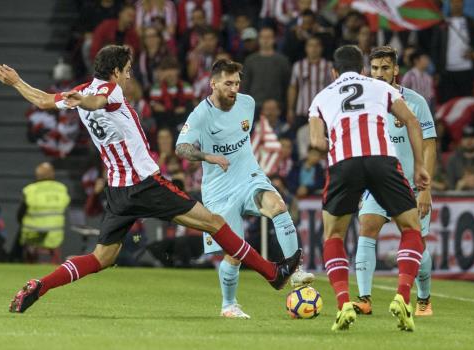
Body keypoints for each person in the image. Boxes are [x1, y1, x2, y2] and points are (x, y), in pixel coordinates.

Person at [0, 45, 301, 313]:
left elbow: (44, 100)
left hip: (117, 190)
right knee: (215, 223)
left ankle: (40, 285)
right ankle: (273, 273)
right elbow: (98, 102)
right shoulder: (106, 91)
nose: (129, 76)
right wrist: (85, 102)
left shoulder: (82, 89)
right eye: (126, 70)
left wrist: (17, 81)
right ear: (114, 72)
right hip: (144, 184)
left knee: (102, 257)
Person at [176, 59, 313, 319]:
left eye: (237, 83)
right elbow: (181, 148)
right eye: (228, 83)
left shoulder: (247, 103)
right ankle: (229, 305)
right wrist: (209, 157)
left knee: (278, 206)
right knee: (235, 252)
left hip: (249, 177)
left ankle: (294, 270)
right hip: (219, 191)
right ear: (213, 83)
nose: (234, 88)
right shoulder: (200, 114)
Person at [308, 45, 430, 331]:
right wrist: (420, 166)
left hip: (344, 163)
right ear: (363, 69)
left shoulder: (321, 97)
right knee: (411, 228)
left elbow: (315, 142)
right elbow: (411, 120)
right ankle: (402, 296)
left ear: (333, 71)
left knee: (333, 235)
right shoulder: (380, 86)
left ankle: (344, 304)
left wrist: (337, 143)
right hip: (382, 161)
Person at [352, 46, 437, 318]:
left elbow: (429, 145)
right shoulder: (363, 103)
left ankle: (423, 298)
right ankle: (364, 299)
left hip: (410, 186)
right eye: (375, 68)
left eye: (385, 67)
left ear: (396, 70)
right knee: (367, 227)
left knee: (417, 242)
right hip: (377, 183)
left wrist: (426, 189)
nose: (379, 73)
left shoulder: (415, 102)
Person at [17, 162, 70, 262]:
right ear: (53, 174)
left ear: (37, 174)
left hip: (33, 234)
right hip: (55, 234)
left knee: (21, 236)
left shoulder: (30, 190)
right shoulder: (62, 189)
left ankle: (23, 260)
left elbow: (20, 214)